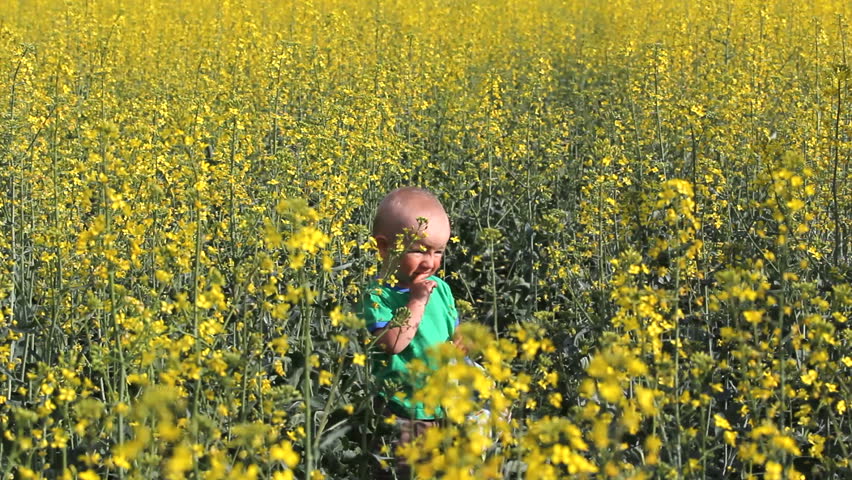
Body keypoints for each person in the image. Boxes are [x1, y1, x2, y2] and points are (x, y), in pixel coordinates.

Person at [362, 186, 462, 477]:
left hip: (444, 405)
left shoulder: (440, 288)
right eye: (419, 250)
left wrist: (462, 339)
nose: (430, 262)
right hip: (403, 410)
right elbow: (392, 343)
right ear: (384, 247)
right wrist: (416, 300)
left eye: (439, 252)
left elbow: (449, 328)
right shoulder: (377, 296)